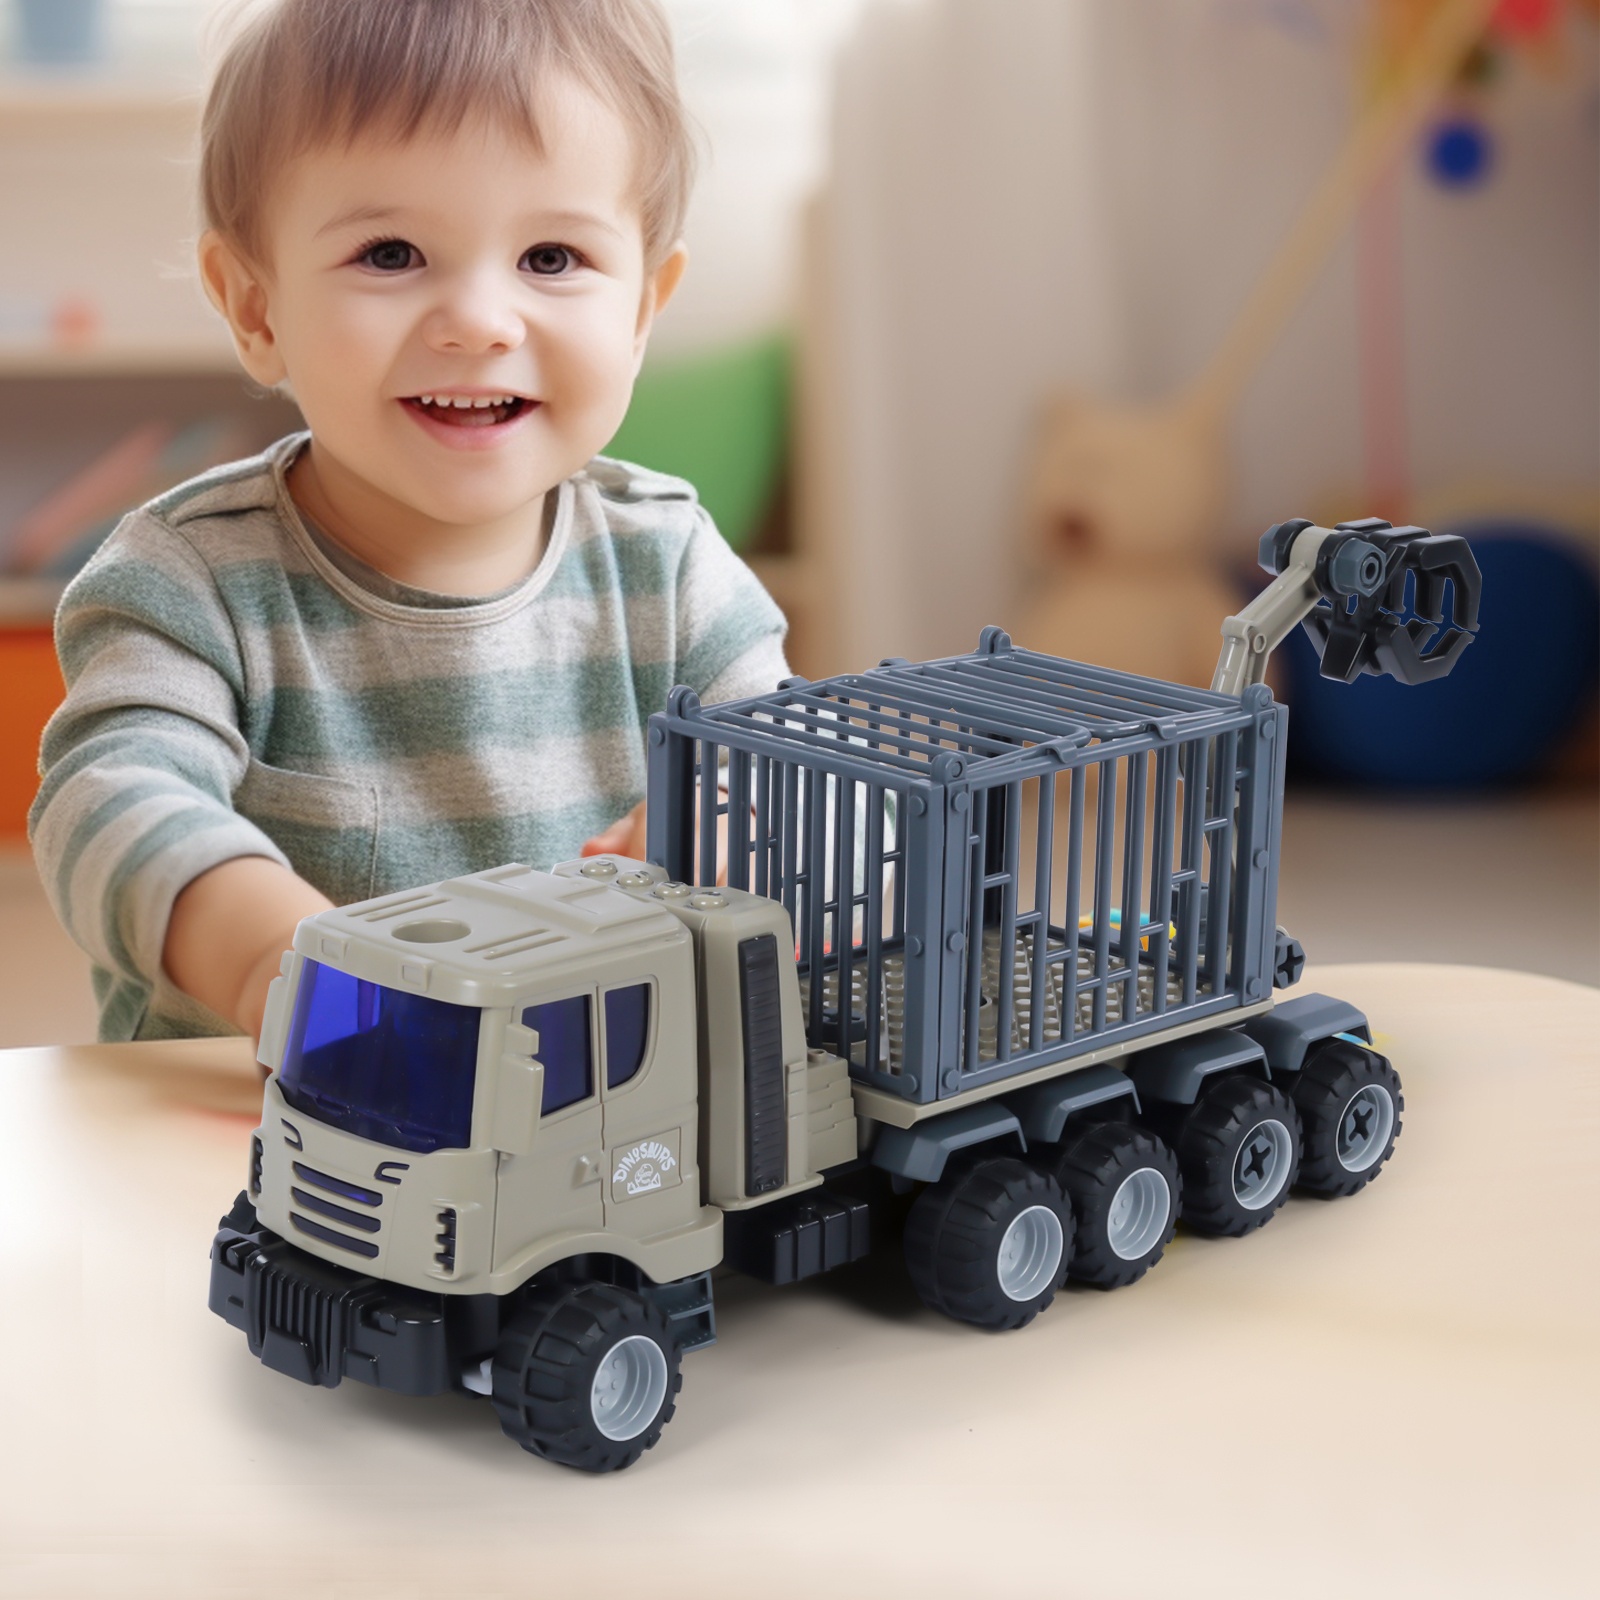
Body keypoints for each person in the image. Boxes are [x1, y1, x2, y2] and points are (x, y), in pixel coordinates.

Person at [28, 0, 788, 1044]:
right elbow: (109, 804)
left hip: (597, 1103)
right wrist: (274, 964)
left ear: (643, 309)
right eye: (390, 254)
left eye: (551, 257)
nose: (478, 322)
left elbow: (808, 785)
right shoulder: (189, 582)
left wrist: (740, 834)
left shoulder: (670, 565)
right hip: (263, 1115)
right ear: (254, 308)